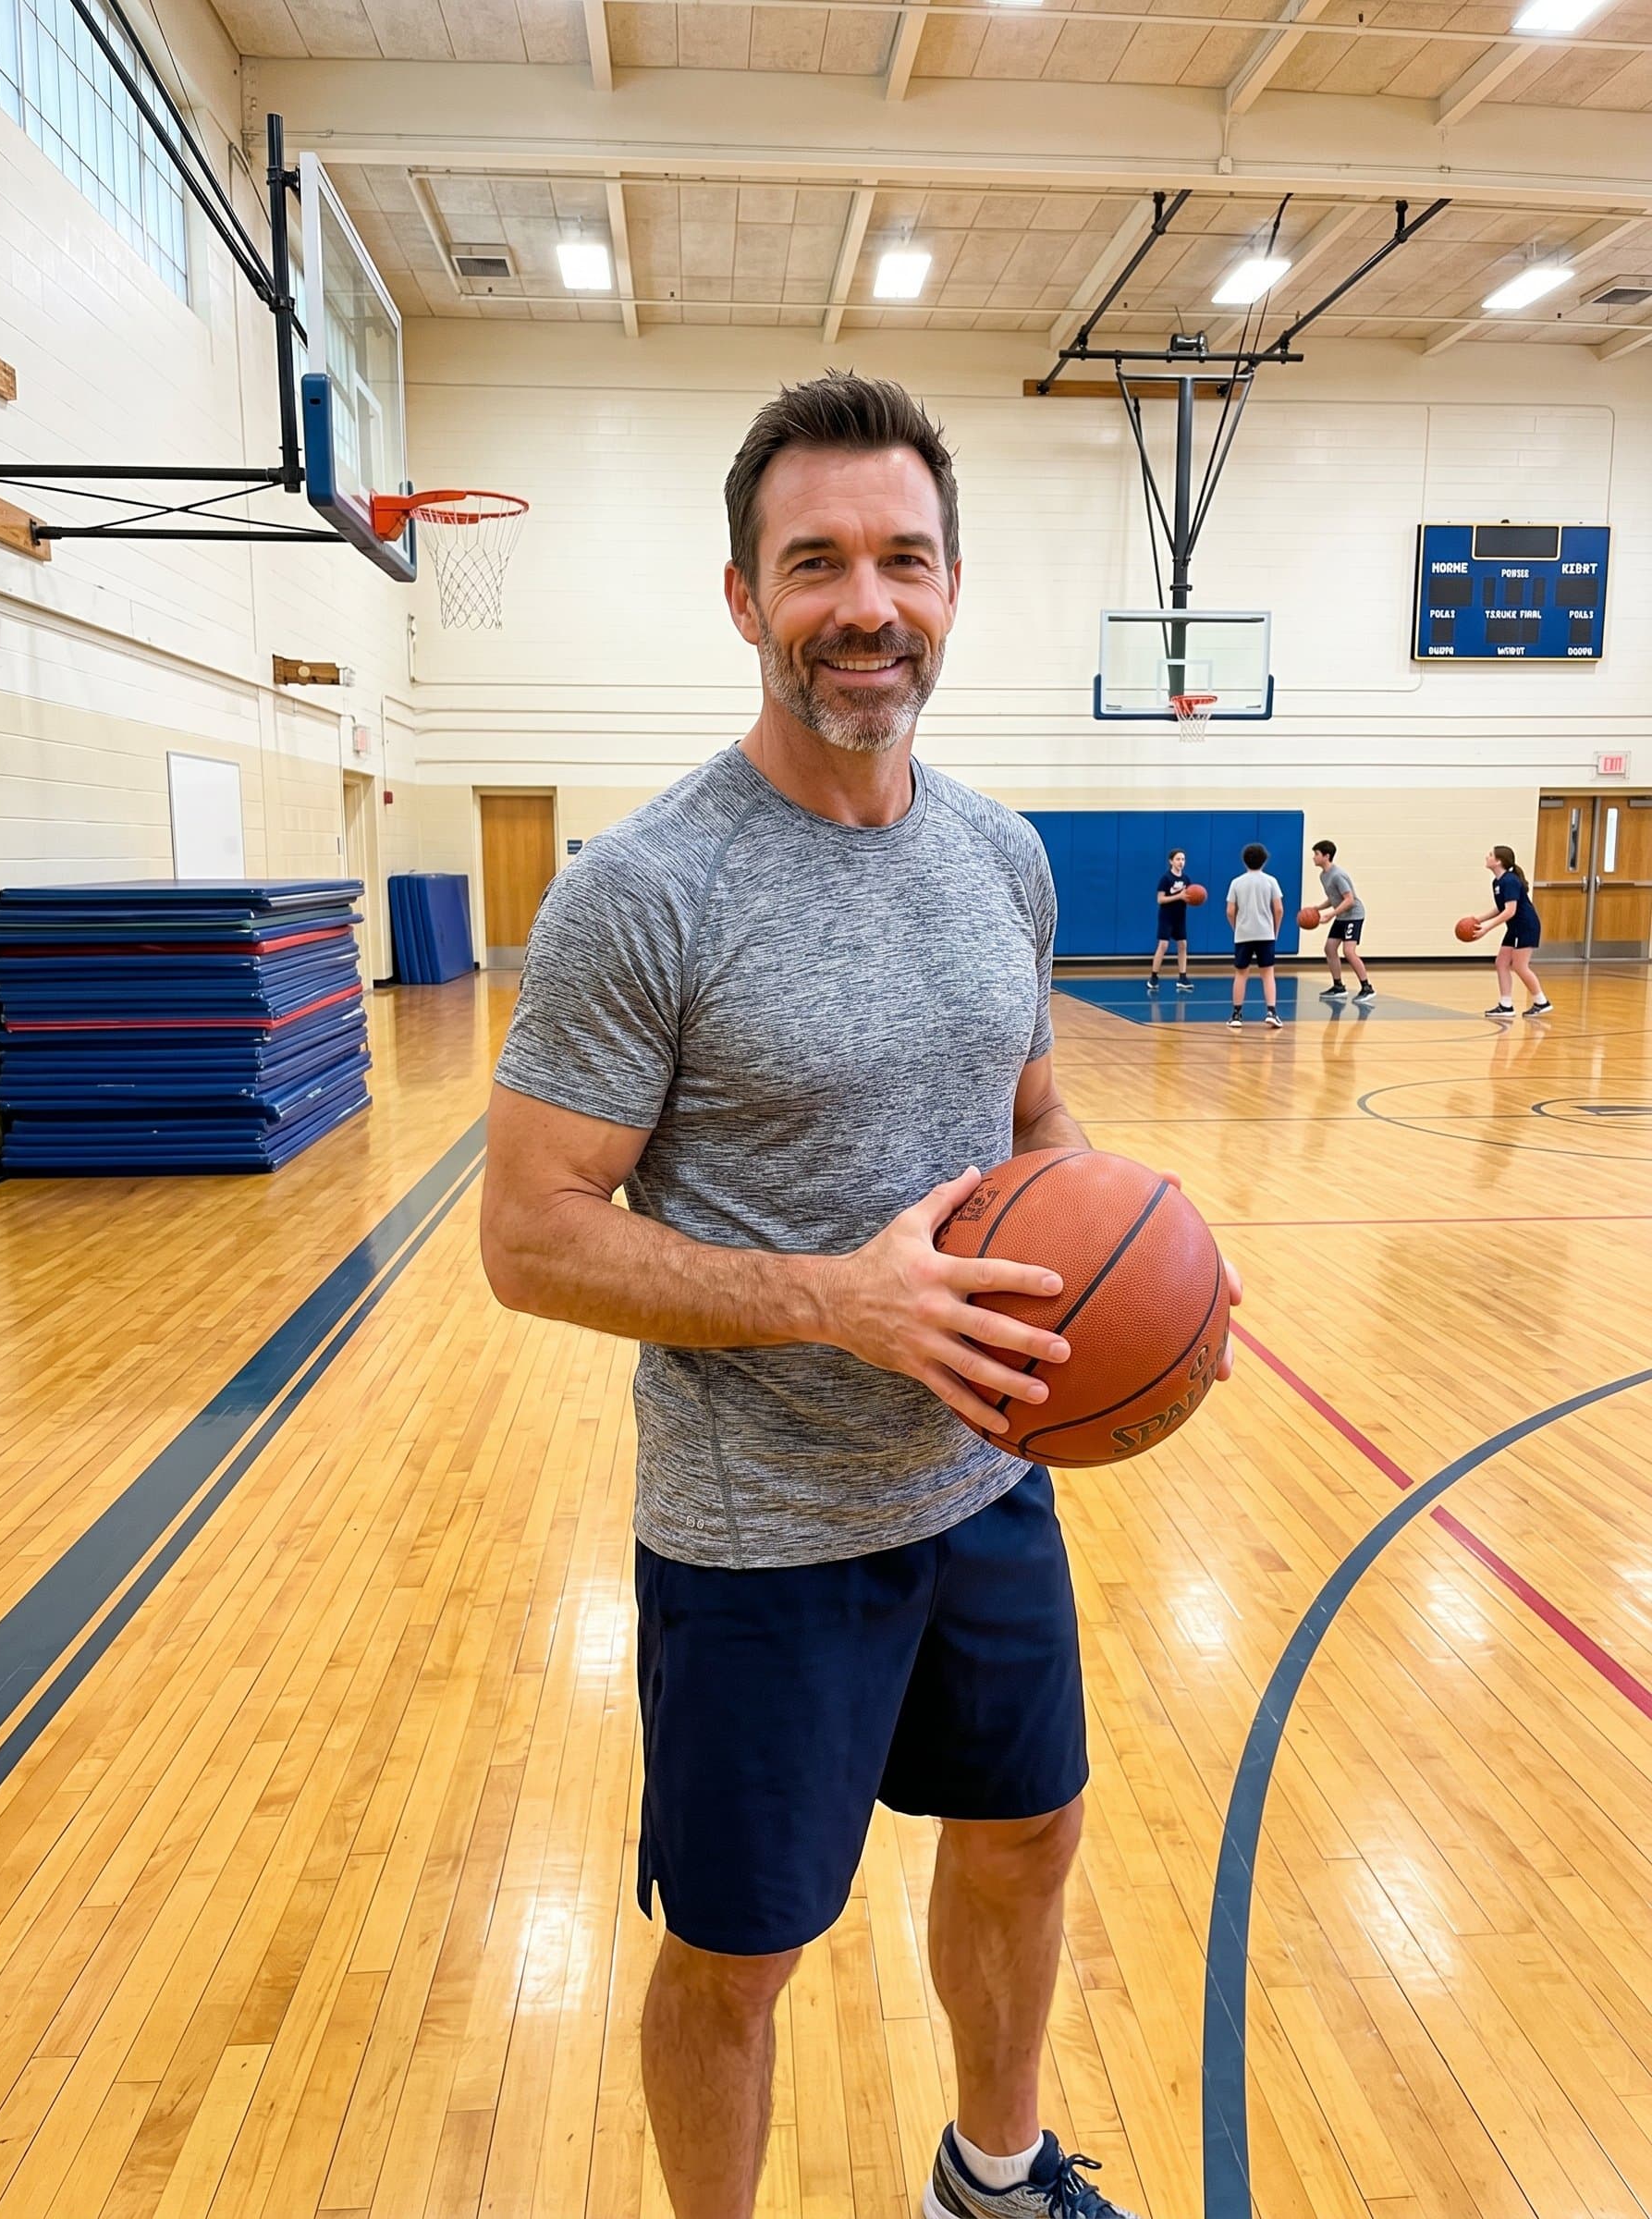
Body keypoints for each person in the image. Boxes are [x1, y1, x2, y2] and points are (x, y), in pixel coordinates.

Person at [480, 373, 1240, 2219]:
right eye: (812, 561)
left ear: (951, 588)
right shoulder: (646, 892)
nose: (863, 600)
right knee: (742, 1952)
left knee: (1026, 1840)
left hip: (986, 1486)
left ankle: (990, 2174)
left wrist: (1156, 1256)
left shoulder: (998, 855)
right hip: (759, 1541)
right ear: (743, 599)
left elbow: (1031, 1115)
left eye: (901, 556)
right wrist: (844, 1303)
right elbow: (528, 1234)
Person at [1468, 843, 1552, 1018]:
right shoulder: (1498, 882)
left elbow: (1510, 911)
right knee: (1501, 963)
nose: (1487, 856)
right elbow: (1501, 908)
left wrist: (1486, 929)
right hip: (1515, 927)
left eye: (1490, 854)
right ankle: (1506, 1005)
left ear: (1498, 861)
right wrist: (1478, 919)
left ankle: (1541, 1001)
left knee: (1520, 966)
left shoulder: (1510, 881)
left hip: (1525, 926)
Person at [1226, 841, 1285, 1030]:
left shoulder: (1236, 882)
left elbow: (1229, 911)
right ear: (1264, 861)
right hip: (1265, 934)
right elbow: (1279, 909)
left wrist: (1237, 928)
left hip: (1243, 934)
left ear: (1244, 861)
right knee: (1267, 973)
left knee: (1241, 974)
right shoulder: (1271, 881)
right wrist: (1274, 931)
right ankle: (1272, 1012)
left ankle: (1236, 1015)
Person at [1310, 839, 1374, 1002]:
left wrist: (1331, 915)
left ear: (1326, 856)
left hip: (1354, 914)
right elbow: (1334, 898)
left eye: (1316, 854)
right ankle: (1338, 986)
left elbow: (1349, 900)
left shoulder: (1337, 875)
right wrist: (1318, 908)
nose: (1313, 857)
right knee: (1330, 948)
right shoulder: (1323, 876)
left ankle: (1367, 987)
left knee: (1348, 952)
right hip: (1342, 915)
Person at [1148, 848, 1193, 992]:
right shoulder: (1166, 879)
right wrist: (1178, 897)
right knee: (1163, 945)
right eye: (1178, 859)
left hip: (1180, 916)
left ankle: (1182, 977)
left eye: (1183, 859)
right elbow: (1160, 899)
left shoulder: (1186, 879)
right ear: (1171, 861)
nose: (1181, 862)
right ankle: (1153, 977)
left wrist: (1195, 898)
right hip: (1166, 916)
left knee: (1183, 945)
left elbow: (1190, 896)